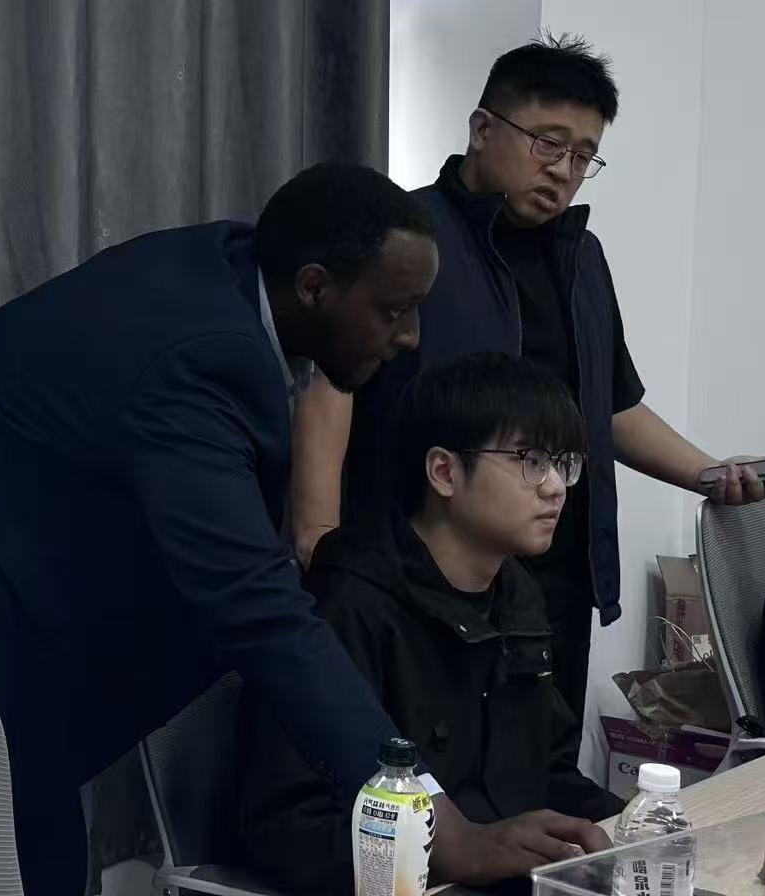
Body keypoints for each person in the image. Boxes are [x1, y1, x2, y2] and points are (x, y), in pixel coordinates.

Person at [0, 163, 602, 895]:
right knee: (7, 809)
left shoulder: (242, 275)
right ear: (316, 288)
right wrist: (431, 826)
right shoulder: (201, 357)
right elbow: (253, 605)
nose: (410, 340)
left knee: (41, 789)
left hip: (13, 512)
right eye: (392, 311)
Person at [288, 35, 765, 722]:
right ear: (482, 129)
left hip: (550, 580)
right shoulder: (405, 238)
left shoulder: (583, 260)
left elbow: (606, 407)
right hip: (412, 571)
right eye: (547, 143)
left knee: (531, 776)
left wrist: (709, 474)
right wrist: (316, 531)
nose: (563, 169)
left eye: (583, 154)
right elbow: (332, 382)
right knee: (408, 782)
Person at [239, 353, 625, 894]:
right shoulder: (350, 600)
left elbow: (549, 774)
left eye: (564, 462)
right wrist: (445, 857)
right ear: (444, 471)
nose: (556, 486)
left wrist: (636, 834)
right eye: (531, 460)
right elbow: (288, 826)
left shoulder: (517, 596)